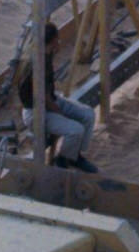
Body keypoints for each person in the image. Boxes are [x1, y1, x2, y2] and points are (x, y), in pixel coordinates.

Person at [18, 21, 98, 172]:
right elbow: (44, 99)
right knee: (76, 130)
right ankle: (62, 161)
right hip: (37, 112)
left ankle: (74, 156)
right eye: (57, 39)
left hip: (50, 100)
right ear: (53, 40)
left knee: (88, 114)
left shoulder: (45, 52)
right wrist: (61, 114)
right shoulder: (36, 63)